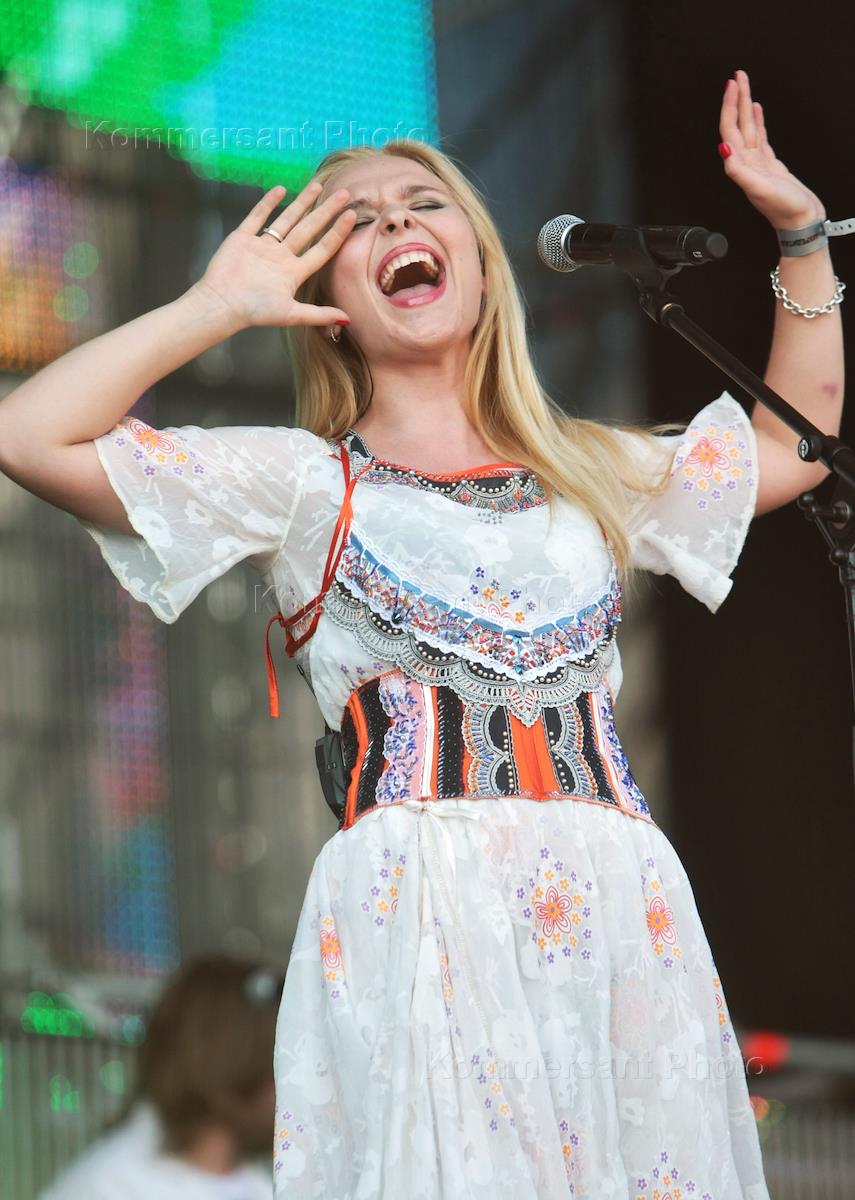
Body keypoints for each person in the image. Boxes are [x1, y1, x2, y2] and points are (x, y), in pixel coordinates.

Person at [0, 71, 842, 1197]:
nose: (395, 220)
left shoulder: (588, 470)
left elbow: (791, 449)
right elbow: (30, 437)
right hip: (426, 914)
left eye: (424, 202)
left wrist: (800, 236)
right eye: (356, 220)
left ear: (481, 263)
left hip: (617, 912)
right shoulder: (308, 485)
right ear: (326, 296)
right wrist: (215, 308)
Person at [38, 954, 284, 1199]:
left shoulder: (259, 1186)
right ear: (231, 1063)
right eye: (282, 1065)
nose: (294, 1089)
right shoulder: (109, 1188)